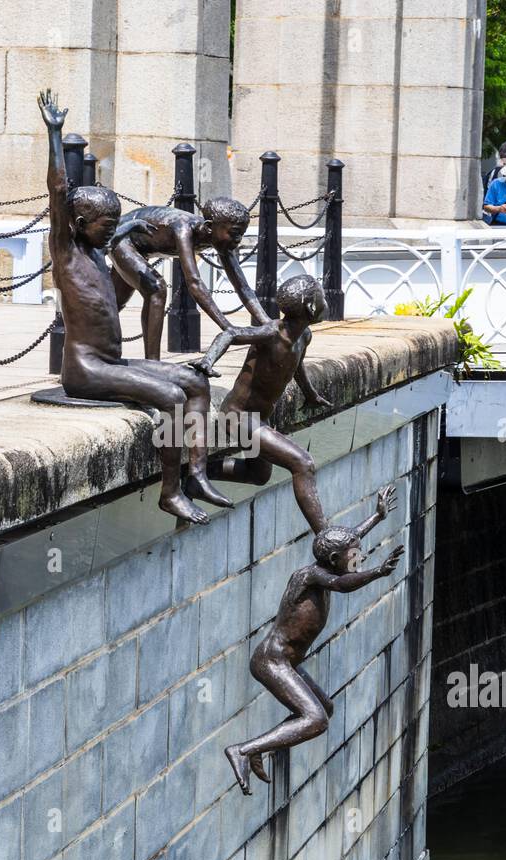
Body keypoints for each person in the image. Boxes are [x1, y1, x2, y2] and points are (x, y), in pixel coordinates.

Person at [37, 88, 231, 524]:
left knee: (194, 381)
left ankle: (196, 471)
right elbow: (58, 193)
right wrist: (55, 134)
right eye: (106, 227)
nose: (112, 236)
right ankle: (170, 492)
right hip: (86, 371)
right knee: (170, 396)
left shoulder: (98, 252)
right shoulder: (67, 250)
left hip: (112, 361)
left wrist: (127, 223)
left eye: (114, 227)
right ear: (81, 225)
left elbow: (114, 233)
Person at [224, 485, 405, 795]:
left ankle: (260, 748)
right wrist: (377, 572)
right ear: (334, 559)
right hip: (272, 661)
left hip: (288, 662)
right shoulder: (311, 577)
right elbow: (342, 583)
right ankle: (242, 750)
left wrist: (377, 516)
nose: (357, 559)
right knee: (316, 720)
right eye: (353, 557)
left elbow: (349, 538)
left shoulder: (328, 563)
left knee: (324, 708)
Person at [191, 274, 334, 532]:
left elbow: (296, 364)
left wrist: (310, 394)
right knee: (302, 463)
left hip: (259, 417)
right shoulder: (272, 333)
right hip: (238, 417)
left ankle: (193, 477)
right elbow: (232, 333)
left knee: (259, 475)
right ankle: (324, 535)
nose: (326, 301)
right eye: (322, 297)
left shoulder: (304, 336)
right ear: (311, 307)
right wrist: (207, 361)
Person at [109, 196, 266, 361]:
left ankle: (91, 346)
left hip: (141, 246)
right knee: (156, 288)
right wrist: (227, 326)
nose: (238, 240)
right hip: (124, 238)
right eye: (234, 233)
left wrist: (265, 321)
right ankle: (153, 363)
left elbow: (242, 286)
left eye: (241, 234)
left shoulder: (223, 241)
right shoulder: (183, 228)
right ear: (209, 227)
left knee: (111, 303)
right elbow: (194, 283)